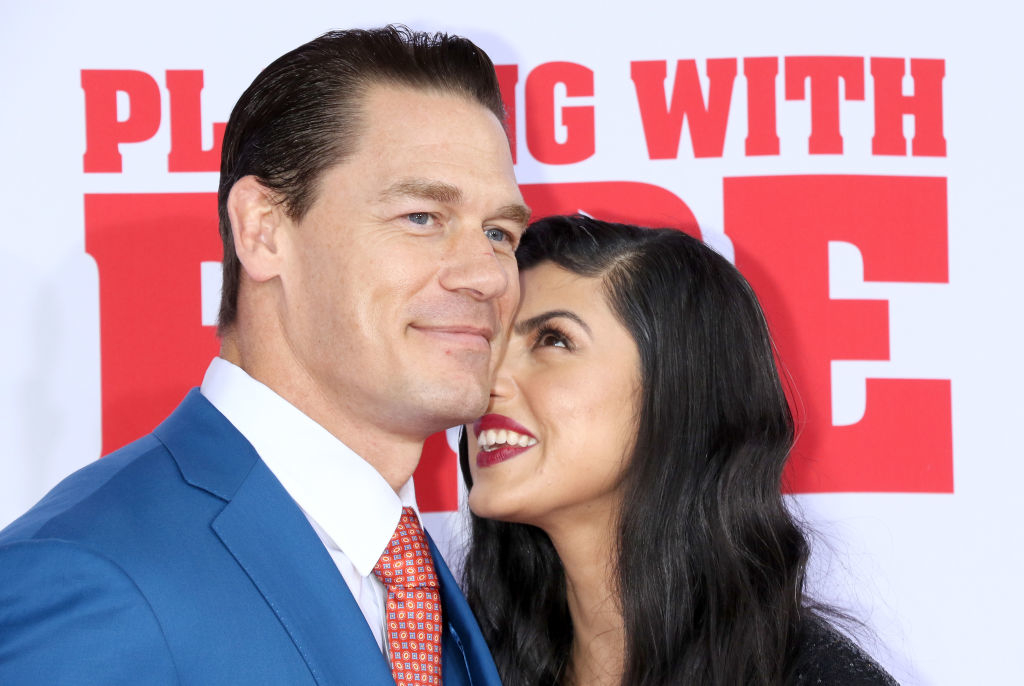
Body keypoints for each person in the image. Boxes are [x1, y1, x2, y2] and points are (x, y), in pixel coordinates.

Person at [0, 26, 529, 685]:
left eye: (501, 233)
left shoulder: (423, 578)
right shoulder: (90, 578)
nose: (487, 275)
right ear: (262, 230)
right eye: (422, 217)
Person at [460, 215, 899, 686]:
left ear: (679, 391)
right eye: (491, 344)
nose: (488, 382)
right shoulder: (462, 662)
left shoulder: (816, 677)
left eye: (553, 340)